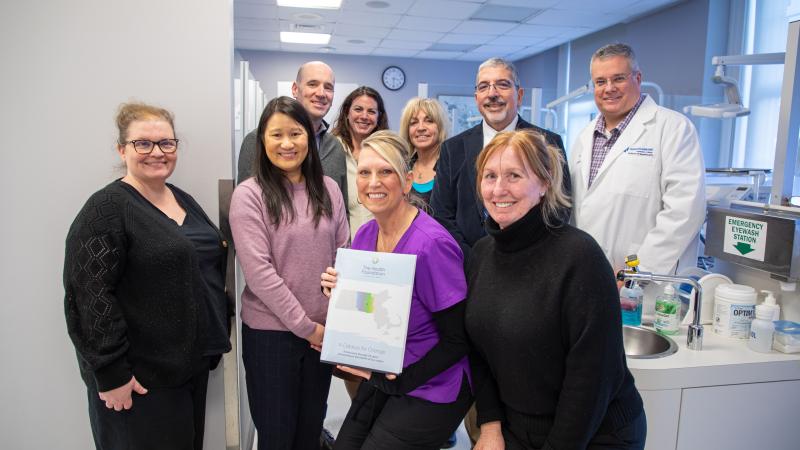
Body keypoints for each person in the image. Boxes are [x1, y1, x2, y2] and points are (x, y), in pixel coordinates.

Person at [64, 102, 232, 450]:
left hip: (188, 370)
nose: (157, 152)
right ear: (122, 149)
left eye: (166, 143)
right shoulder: (107, 208)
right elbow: (89, 295)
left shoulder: (180, 198)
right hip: (140, 382)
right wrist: (110, 373)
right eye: (144, 143)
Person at [466, 129, 646, 450]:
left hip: (595, 432)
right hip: (515, 426)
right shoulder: (481, 254)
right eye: (489, 176)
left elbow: (590, 381)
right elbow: (477, 351)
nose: (498, 189)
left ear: (545, 183)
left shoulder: (580, 258)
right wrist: (490, 425)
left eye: (514, 176)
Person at [320, 131, 472, 450]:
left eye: (385, 171)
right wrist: (340, 295)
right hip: (387, 371)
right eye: (365, 172)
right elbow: (371, 309)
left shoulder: (431, 245)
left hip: (433, 382)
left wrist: (403, 380)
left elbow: (458, 340)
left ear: (407, 181)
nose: (373, 182)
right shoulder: (364, 236)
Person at [230, 96, 349, 450]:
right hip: (272, 336)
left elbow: (344, 249)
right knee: (278, 436)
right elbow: (260, 274)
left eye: (295, 133)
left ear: (309, 138)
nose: (286, 144)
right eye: (276, 135)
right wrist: (307, 328)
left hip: (321, 335)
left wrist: (328, 320)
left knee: (309, 430)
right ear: (261, 140)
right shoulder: (249, 195)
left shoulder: (327, 188)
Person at [569, 43, 705, 315]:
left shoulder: (673, 129)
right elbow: (577, 210)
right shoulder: (584, 137)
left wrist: (636, 271)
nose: (609, 88)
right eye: (600, 81)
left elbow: (685, 211)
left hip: (648, 287)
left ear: (638, 79)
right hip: (589, 278)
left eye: (618, 78)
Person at [431, 57, 571, 258]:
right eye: (484, 86)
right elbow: (441, 214)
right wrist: (475, 259)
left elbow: (559, 208)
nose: (492, 94)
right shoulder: (452, 149)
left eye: (502, 85)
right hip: (468, 267)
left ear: (519, 94)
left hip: (531, 262)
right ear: (476, 96)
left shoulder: (547, 142)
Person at [237, 61, 347, 198]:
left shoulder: (335, 147)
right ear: (295, 89)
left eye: (328, 87)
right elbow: (245, 201)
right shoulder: (257, 140)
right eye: (312, 84)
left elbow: (343, 208)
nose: (321, 93)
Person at [331, 85, 389, 239]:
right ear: (347, 113)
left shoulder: (387, 152)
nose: (364, 116)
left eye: (371, 111)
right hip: (342, 245)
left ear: (378, 117)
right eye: (358, 109)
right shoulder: (331, 150)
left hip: (382, 243)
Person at [399, 97, 449, 205]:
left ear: (439, 128)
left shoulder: (452, 168)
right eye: (413, 122)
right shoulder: (402, 169)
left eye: (429, 121)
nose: (421, 128)